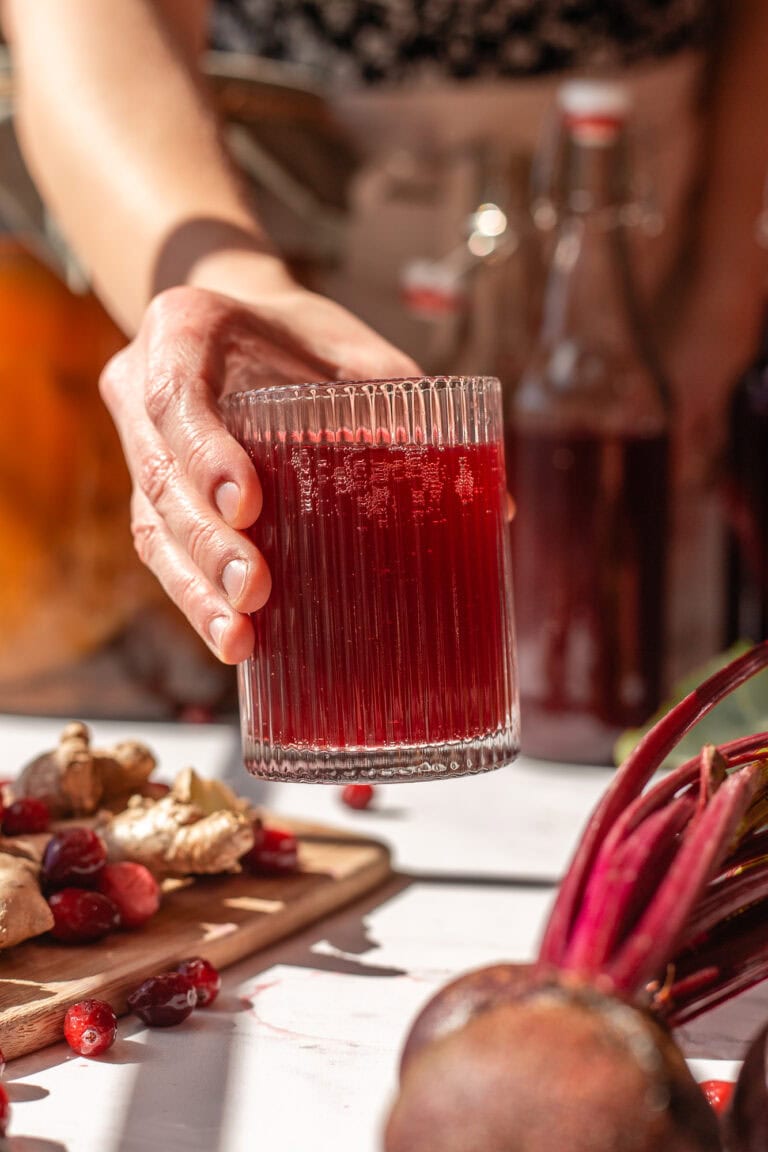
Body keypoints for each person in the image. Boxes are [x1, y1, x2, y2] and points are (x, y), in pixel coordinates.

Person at [1, 0, 767, 675]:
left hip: (638, 238)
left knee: (607, 678)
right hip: (268, 200)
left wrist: (726, 297)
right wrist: (229, 282)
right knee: (306, 677)